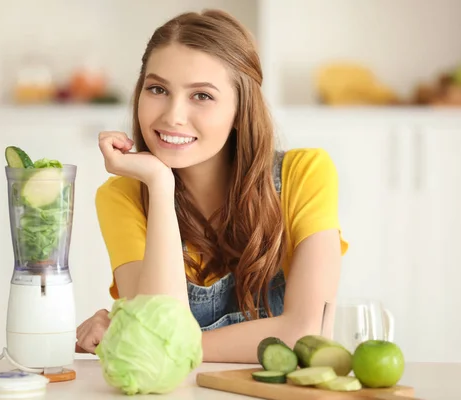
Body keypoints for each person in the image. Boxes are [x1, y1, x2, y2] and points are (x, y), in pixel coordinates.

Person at [75, 8, 348, 363]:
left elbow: (307, 334)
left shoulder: (304, 174)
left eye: (201, 96)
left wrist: (162, 345)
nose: (172, 115)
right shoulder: (123, 196)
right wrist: (159, 184)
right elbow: (156, 329)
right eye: (157, 89)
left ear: (240, 110)